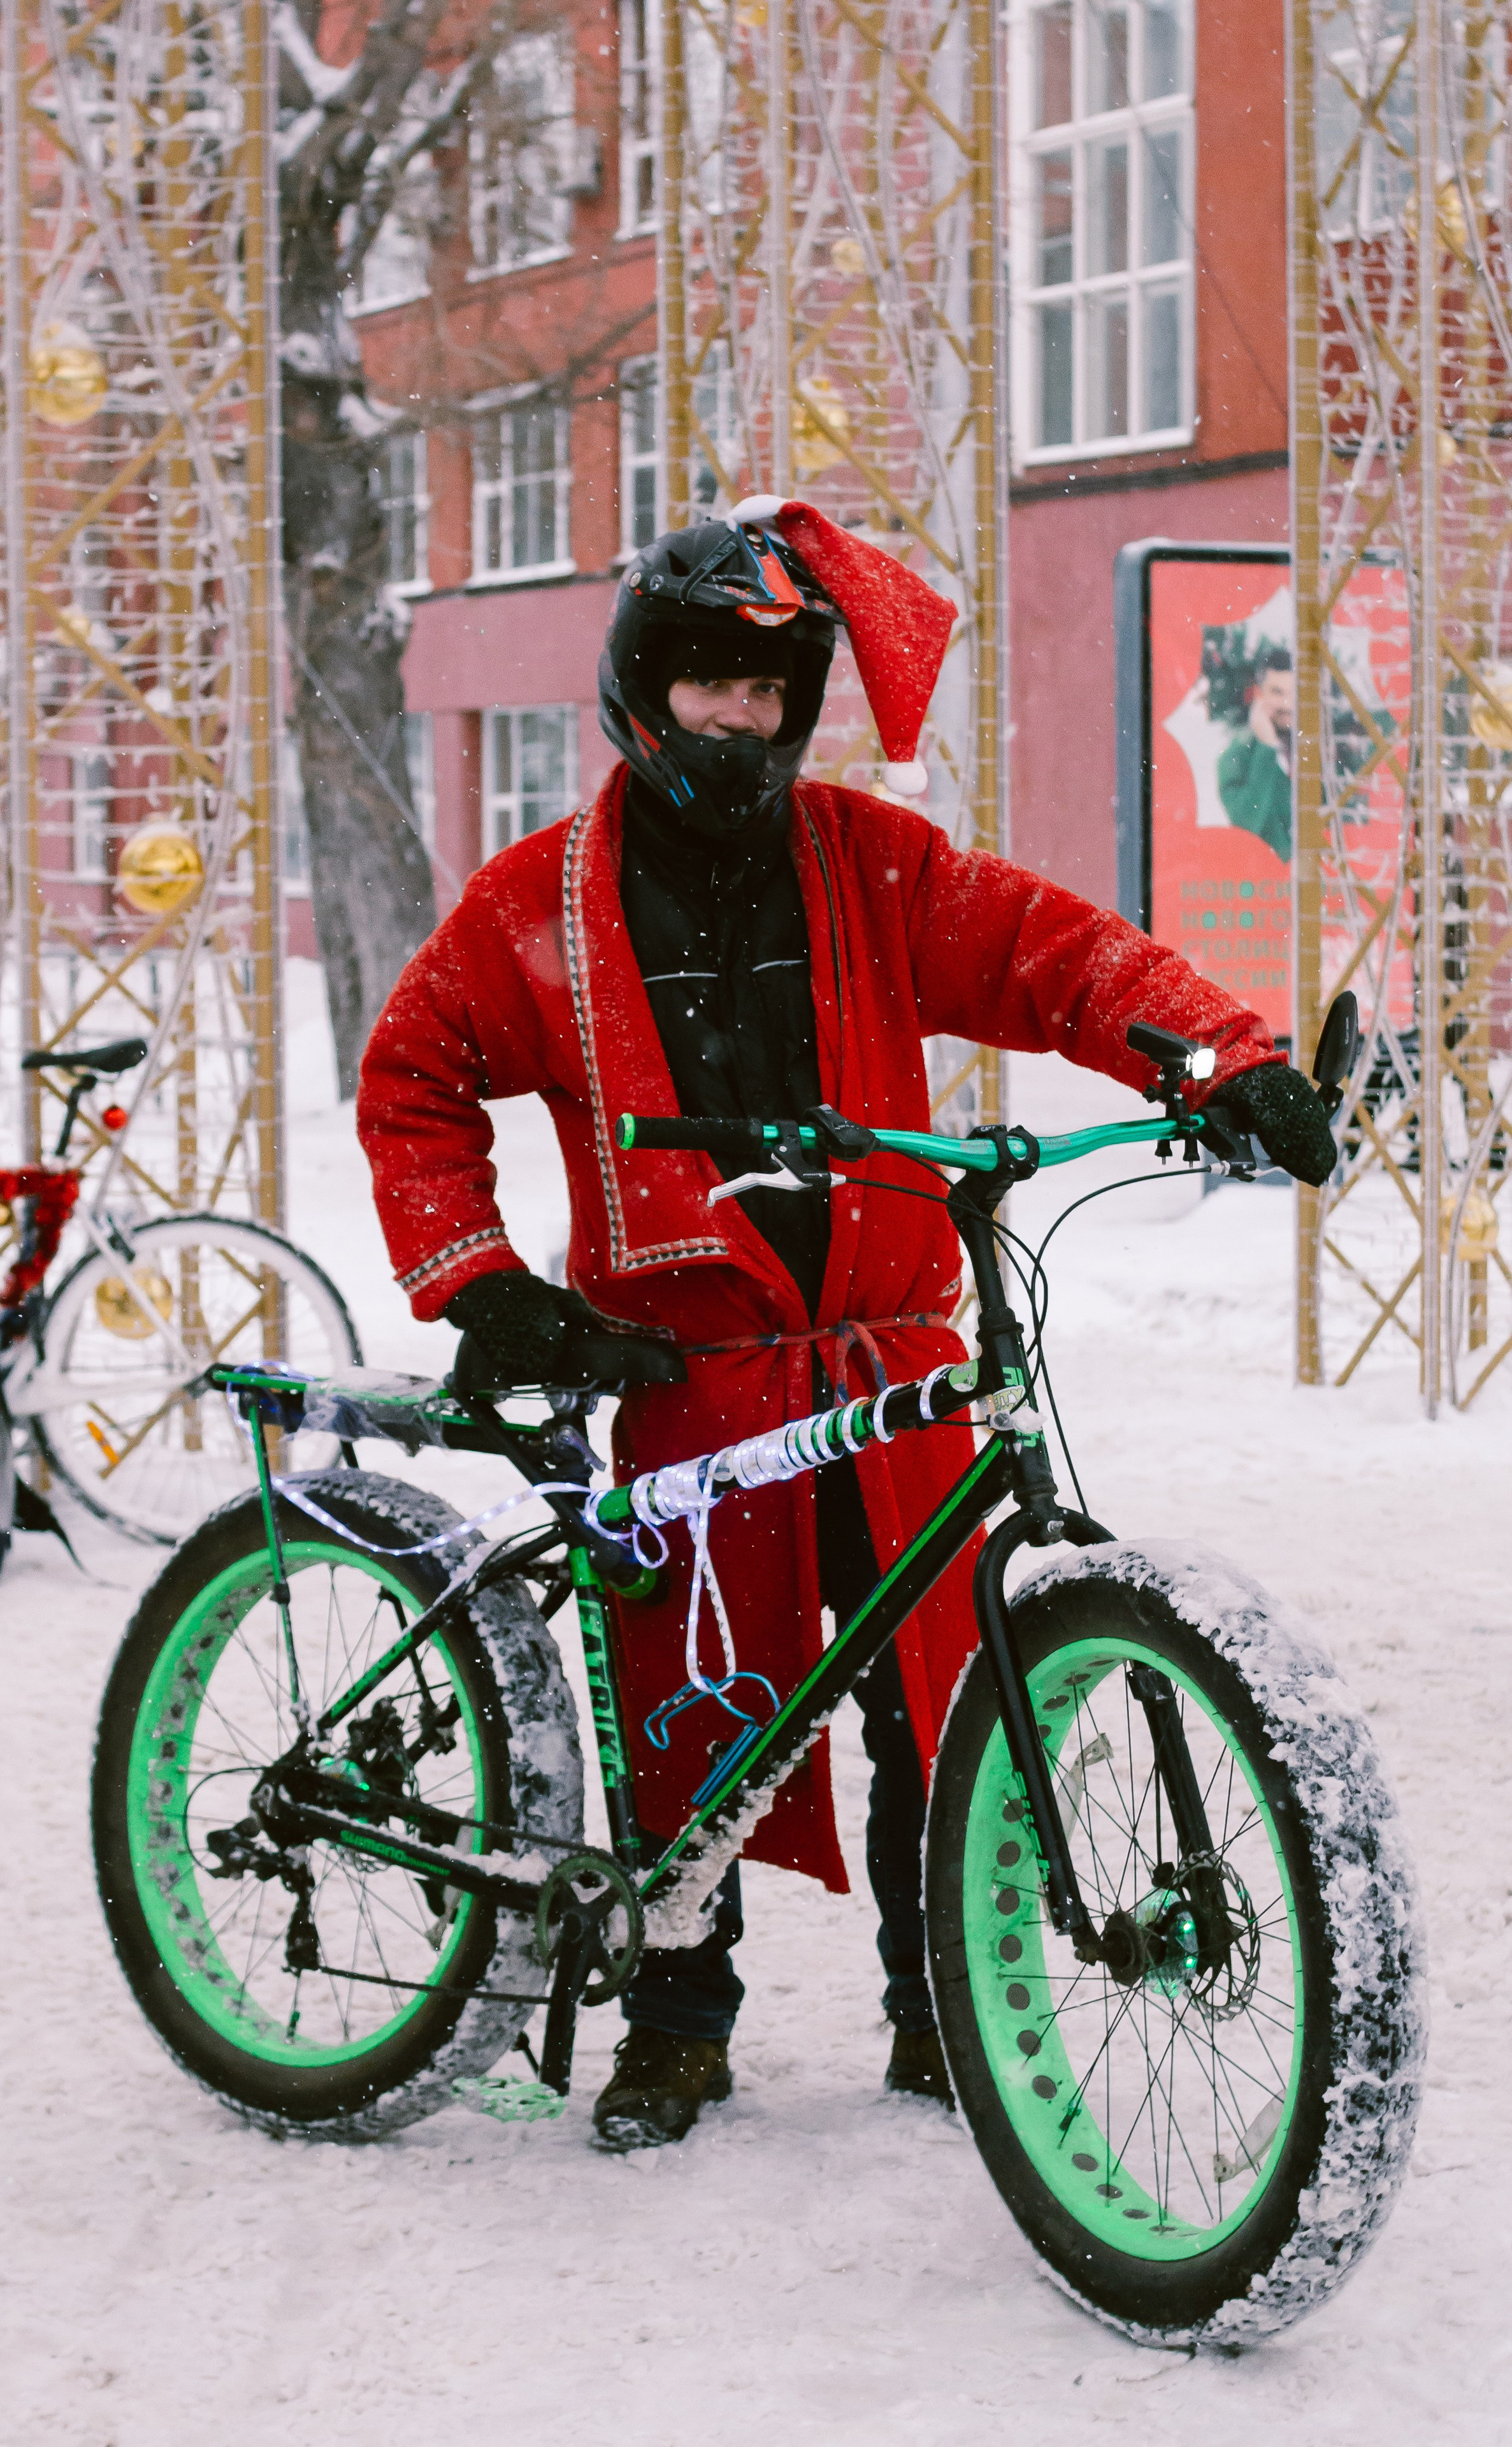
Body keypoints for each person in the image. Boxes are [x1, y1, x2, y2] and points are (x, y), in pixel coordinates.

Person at [356, 500, 1336, 2152]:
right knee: (696, 1706)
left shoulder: (875, 865)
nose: (740, 722)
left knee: (939, 1701)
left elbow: (1055, 958)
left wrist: (1220, 1056)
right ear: (639, 686)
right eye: (709, 685)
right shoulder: (540, 900)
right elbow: (414, 1080)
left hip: (896, 1370)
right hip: (697, 1378)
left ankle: (942, 2004)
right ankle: (676, 2019)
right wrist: (487, 1282)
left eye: (773, 691)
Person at [1217, 645, 1293, 861]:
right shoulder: (1236, 758)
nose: (1287, 704)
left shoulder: (1318, 751)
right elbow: (1246, 828)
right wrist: (1267, 747)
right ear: (1259, 694)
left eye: (1294, 693)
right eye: (1277, 693)